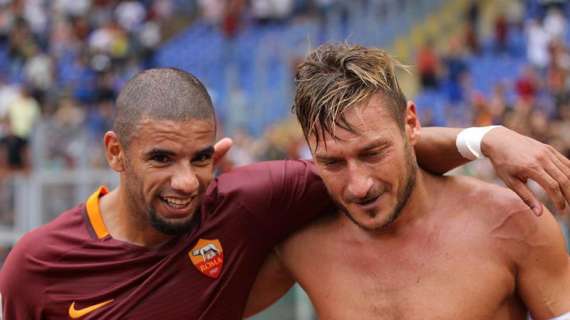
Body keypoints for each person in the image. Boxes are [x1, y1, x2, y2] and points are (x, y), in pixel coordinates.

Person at [1, 67, 569, 320]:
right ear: (115, 153)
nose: (183, 180)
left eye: (199, 159)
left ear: (219, 154)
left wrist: (485, 138)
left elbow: (389, 155)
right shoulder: (35, 266)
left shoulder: (252, 204)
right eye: (160, 159)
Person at [244, 44, 570, 319]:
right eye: (332, 162)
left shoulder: (512, 223)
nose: (359, 186)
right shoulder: (299, 243)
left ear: (411, 123)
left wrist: (485, 137)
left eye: (373, 153)